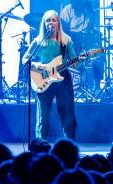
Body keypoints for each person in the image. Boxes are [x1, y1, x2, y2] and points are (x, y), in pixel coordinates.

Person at [22, 10, 79, 140]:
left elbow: (74, 62)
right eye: (48, 20)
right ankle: (40, 146)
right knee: (43, 117)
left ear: (58, 23)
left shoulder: (66, 40)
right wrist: (39, 66)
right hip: (44, 79)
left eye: (54, 20)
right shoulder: (38, 41)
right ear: (44, 23)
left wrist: (78, 61)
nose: (51, 23)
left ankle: (70, 147)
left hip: (63, 80)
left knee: (68, 116)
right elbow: (25, 59)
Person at [60, 0, 102, 89]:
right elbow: (62, 30)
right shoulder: (68, 9)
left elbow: (91, 29)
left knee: (100, 52)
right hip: (73, 43)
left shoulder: (90, 11)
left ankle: (97, 85)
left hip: (87, 43)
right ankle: (76, 84)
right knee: (78, 59)